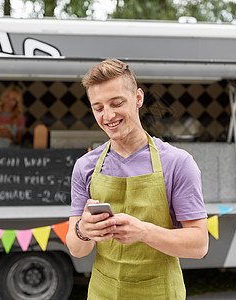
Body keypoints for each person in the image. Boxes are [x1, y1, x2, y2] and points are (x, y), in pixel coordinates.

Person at [66, 59, 208, 299]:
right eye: (98, 108)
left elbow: (198, 245)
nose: (108, 115)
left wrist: (143, 232)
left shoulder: (177, 163)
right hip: (103, 292)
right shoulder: (85, 166)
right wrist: (83, 230)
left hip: (159, 293)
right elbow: (77, 249)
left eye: (117, 103)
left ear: (138, 98)